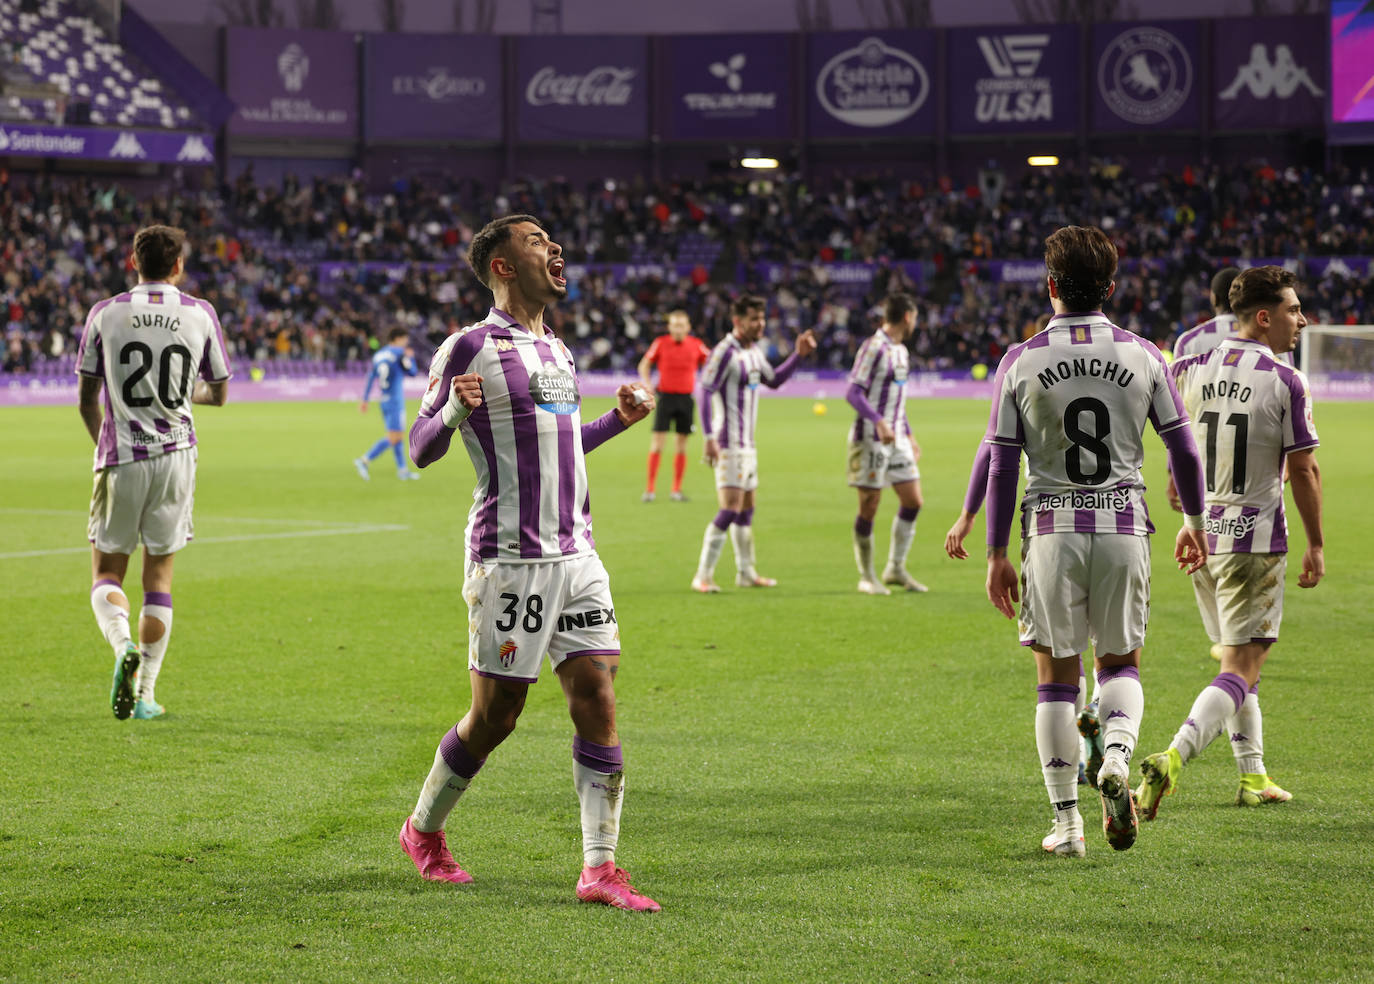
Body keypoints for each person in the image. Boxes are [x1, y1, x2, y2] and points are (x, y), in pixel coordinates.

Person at [399, 214, 660, 912]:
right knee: (497, 715)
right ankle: (422, 830)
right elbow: (418, 447)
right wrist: (452, 412)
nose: (557, 248)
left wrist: (617, 423)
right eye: (538, 240)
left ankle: (599, 870)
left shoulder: (559, 353)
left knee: (597, 694)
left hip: (577, 553)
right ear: (503, 265)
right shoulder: (470, 347)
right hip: (509, 559)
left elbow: (561, 447)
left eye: (554, 240)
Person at [978, 225, 1208, 858]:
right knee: (1120, 663)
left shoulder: (1021, 359)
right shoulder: (1143, 354)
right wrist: (1194, 518)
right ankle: (1115, 754)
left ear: (1051, 285)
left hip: (1051, 531)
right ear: (1111, 287)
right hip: (1124, 524)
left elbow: (1001, 464)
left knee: (1056, 679)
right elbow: (1183, 447)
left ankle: (1068, 824)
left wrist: (997, 553)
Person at [1135, 266, 1323, 819]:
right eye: (1293, 309)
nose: (1302, 319)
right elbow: (1305, 470)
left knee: (1237, 664)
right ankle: (1173, 757)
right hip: (1256, 539)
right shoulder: (1287, 379)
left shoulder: (1188, 368)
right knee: (1243, 665)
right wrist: (1315, 543)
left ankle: (1253, 775)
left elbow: (1176, 443)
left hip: (1202, 538)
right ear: (1264, 317)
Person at [76, 224, 231, 720]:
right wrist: (186, 397)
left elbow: (86, 399)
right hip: (177, 458)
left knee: (106, 571)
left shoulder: (105, 313)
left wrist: (108, 442)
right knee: (159, 576)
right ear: (179, 265)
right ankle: (144, 693)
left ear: (132, 261)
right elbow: (220, 391)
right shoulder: (200, 313)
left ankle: (121, 644)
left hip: (122, 457)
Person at [691, 294, 817, 593]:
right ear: (738, 321)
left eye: (762, 319)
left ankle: (746, 573)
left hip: (748, 445)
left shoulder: (754, 351)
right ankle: (703, 575)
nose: (760, 324)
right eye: (754, 319)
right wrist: (709, 438)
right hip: (729, 443)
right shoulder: (725, 352)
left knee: (746, 509)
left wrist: (797, 355)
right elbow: (704, 391)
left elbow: (773, 381)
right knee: (729, 509)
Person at [846, 293, 928, 594]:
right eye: (915, 318)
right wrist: (879, 421)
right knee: (870, 506)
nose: (916, 324)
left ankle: (895, 567)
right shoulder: (873, 348)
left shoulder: (901, 352)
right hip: (870, 439)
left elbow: (898, 401)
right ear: (907, 316)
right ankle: (867, 576)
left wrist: (908, 433)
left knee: (913, 500)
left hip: (896, 439)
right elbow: (853, 393)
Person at [637, 309, 711, 502]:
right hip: (665, 398)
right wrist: (647, 384)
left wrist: (707, 383)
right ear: (669, 326)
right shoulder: (661, 343)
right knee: (658, 444)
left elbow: (712, 363)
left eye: (681, 325)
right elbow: (644, 364)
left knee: (681, 446)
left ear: (688, 327)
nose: (678, 328)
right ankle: (650, 489)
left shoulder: (696, 345)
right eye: (675, 325)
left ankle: (676, 490)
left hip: (686, 399)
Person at [354, 326, 420, 481]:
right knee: (394, 436)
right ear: (398, 339)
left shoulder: (378, 355)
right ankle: (364, 460)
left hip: (383, 400)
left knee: (397, 435)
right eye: (405, 339)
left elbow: (371, 378)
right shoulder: (399, 353)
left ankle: (402, 470)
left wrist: (365, 399)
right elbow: (412, 372)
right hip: (395, 400)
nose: (406, 342)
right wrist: (410, 357)